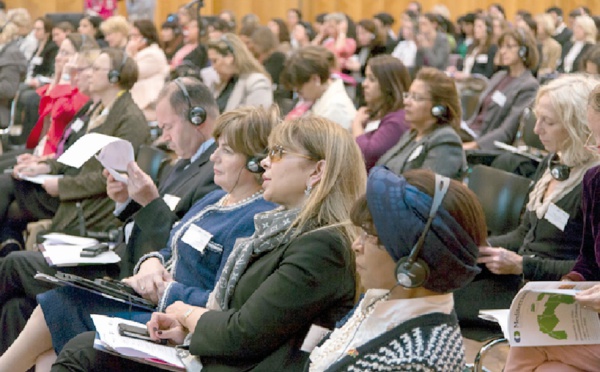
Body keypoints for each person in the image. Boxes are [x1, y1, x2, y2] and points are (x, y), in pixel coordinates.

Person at [51, 114, 367, 371]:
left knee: (81, 349)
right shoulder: (277, 226)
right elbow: (238, 313)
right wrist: (181, 320)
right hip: (205, 342)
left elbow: (244, 331)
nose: (266, 163)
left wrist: (185, 313)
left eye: (278, 153)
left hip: (228, 359)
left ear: (317, 171)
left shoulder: (321, 244)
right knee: (66, 333)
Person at [0, 106, 278, 371]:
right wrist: (152, 263)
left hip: (172, 319)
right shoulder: (216, 198)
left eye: (226, 151)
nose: (214, 157)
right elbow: (171, 244)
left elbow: (225, 298)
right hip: (149, 299)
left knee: (60, 303)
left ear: (256, 162)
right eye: (217, 147)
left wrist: (164, 289)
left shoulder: (256, 218)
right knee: (39, 323)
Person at [0, 77, 219, 354]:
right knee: (15, 306)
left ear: (196, 117)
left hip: (132, 275)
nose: (164, 136)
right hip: (121, 254)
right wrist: (127, 200)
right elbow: (156, 216)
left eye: (168, 127)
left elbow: (179, 243)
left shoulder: (214, 172)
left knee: (15, 264)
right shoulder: (182, 164)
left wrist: (149, 201)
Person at [455, 74, 600, 328]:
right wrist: (480, 246)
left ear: (577, 127)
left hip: (549, 287)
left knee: (450, 304)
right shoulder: (552, 161)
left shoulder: (591, 181)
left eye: (548, 122)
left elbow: (587, 267)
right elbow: (524, 234)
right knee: (444, 284)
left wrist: (523, 265)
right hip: (521, 276)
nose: (536, 130)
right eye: (537, 118)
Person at [308, 167, 484, 371]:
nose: (356, 245)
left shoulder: (415, 361)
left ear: (413, 261)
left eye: (371, 235)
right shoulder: (386, 299)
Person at [502, 78, 600, 372]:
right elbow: (588, 260)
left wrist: (525, 265)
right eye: (596, 139)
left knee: (531, 343)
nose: (594, 148)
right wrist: (573, 281)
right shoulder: (594, 181)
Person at [3, 49, 149, 246]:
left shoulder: (130, 119)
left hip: (85, 199)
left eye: (96, 68)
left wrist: (62, 186)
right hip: (67, 184)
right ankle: (8, 251)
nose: (90, 73)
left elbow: (113, 176)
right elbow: (73, 155)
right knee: (10, 198)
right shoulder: (96, 109)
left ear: (114, 77)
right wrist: (46, 167)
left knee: (6, 190)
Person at [376, 67, 466, 180]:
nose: (406, 102)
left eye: (416, 98)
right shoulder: (411, 134)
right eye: (407, 95)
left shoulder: (446, 140)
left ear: (439, 107)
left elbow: (426, 191)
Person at [462, 28, 540, 151]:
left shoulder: (528, 86)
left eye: (509, 47)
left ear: (524, 51)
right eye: (502, 47)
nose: (503, 51)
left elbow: (506, 131)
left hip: (484, 144)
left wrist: (473, 146)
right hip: (470, 132)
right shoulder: (499, 76)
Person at [25, 34, 98, 157]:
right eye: (60, 52)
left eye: (65, 53)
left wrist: (65, 76)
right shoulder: (61, 85)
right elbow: (45, 114)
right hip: (45, 146)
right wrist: (57, 77)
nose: (58, 57)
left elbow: (60, 111)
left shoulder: (83, 89)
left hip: (57, 153)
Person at [352, 55, 410, 171]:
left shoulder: (397, 120)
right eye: (365, 78)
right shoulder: (372, 113)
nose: (364, 84)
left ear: (389, 85)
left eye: (371, 79)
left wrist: (356, 125)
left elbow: (367, 154)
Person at [281, 45, 356, 129]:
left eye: (300, 91)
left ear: (315, 79)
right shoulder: (313, 98)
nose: (299, 95)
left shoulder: (336, 109)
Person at [206, 33, 273, 113]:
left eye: (215, 61)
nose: (213, 67)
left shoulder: (258, 82)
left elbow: (258, 121)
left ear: (229, 58)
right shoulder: (220, 83)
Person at [126, 19, 169, 121]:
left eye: (135, 36)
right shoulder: (140, 53)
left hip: (149, 106)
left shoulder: (152, 54)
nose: (132, 40)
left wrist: (129, 53)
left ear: (146, 38)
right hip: (138, 104)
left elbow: (129, 74)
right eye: (130, 36)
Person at [345, 19, 387, 106]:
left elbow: (377, 71)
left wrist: (359, 68)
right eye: (358, 34)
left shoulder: (379, 49)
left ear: (373, 35)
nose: (360, 37)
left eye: (363, 33)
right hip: (355, 81)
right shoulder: (359, 48)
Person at [448, 15, 497, 80]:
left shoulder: (492, 48)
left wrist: (468, 76)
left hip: (476, 84)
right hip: (463, 80)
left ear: (488, 29)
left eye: (479, 26)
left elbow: (488, 74)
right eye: (475, 26)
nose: (476, 29)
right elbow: (463, 66)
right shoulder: (471, 46)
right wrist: (455, 70)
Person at [391, 10, 419, 74]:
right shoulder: (402, 44)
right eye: (404, 28)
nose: (405, 31)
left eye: (408, 28)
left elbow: (408, 63)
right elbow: (392, 59)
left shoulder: (415, 46)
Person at [536, 13, 563, 77]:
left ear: (546, 26)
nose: (535, 27)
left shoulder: (555, 46)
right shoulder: (532, 42)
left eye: (538, 25)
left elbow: (551, 68)